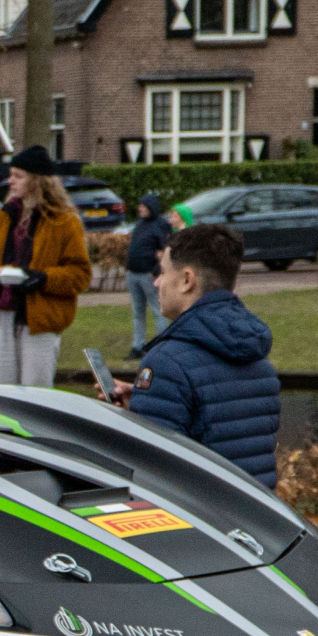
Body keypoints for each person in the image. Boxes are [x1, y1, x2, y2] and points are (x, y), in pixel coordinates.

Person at [113, 223, 280, 487]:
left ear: (187, 280)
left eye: (163, 272)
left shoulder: (165, 362)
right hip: (256, 518)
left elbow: (150, 471)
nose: (156, 282)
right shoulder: (255, 352)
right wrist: (150, 400)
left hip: (197, 521)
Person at [0, 144, 90, 386]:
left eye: (18, 176)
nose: (10, 181)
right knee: (0, 395)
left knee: (36, 393)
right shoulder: (0, 219)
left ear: (37, 181)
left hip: (40, 321)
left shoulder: (64, 223)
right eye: (11, 175)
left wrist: (42, 278)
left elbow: (79, 275)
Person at [124, 192, 171, 349]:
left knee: (157, 310)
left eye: (144, 206)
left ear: (152, 207)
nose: (140, 209)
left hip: (148, 275)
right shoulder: (140, 224)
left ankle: (161, 344)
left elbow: (165, 249)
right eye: (140, 206)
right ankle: (138, 346)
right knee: (138, 313)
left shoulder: (161, 225)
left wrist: (156, 270)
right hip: (133, 273)